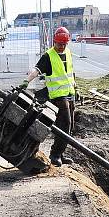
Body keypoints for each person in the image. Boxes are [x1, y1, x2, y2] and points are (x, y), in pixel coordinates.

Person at [21, 26, 76, 167]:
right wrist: (26, 81)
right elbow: (36, 70)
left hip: (70, 94)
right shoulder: (48, 56)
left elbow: (69, 72)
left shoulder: (68, 53)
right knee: (64, 125)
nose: (61, 47)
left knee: (69, 127)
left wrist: (76, 87)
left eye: (64, 44)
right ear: (54, 42)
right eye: (59, 44)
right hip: (58, 97)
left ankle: (60, 153)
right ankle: (55, 155)